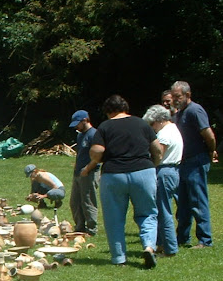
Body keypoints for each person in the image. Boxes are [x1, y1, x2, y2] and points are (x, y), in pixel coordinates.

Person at [81, 95, 162, 268]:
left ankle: (119, 258)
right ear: (126, 107)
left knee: (114, 218)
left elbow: (97, 151)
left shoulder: (105, 126)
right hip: (143, 171)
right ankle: (148, 246)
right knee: (147, 213)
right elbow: (157, 149)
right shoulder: (141, 123)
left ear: (108, 111)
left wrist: (92, 161)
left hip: (114, 174)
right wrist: (152, 166)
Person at [170, 80, 216, 248]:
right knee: (183, 204)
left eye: (178, 96)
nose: (175, 99)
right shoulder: (179, 113)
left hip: (196, 160)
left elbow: (209, 134)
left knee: (198, 201)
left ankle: (205, 240)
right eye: (173, 96)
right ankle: (182, 238)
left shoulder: (195, 110)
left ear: (188, 95)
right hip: (182, 162)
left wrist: (210, 152)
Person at [143, 104, 183, 257]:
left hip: (164, 171)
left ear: (159, 120)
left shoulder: (164, 134)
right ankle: (161, 244)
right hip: (172, 171)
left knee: (163, 211)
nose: (152, 128)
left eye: (152, 124)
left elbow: (158, 155)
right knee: (162, 209)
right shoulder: (173, 128)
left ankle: (170, 248)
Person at [68, 110, 99, 235]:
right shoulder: (80, 135)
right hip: (78, 172)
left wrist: (87, 169)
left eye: (77, 124)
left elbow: (97, 156)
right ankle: (79, 227)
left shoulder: (94, 134)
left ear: (85, 120)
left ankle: (91, 229)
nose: (76, 127)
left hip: (90, 172)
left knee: (88, 201)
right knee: (75, 201)